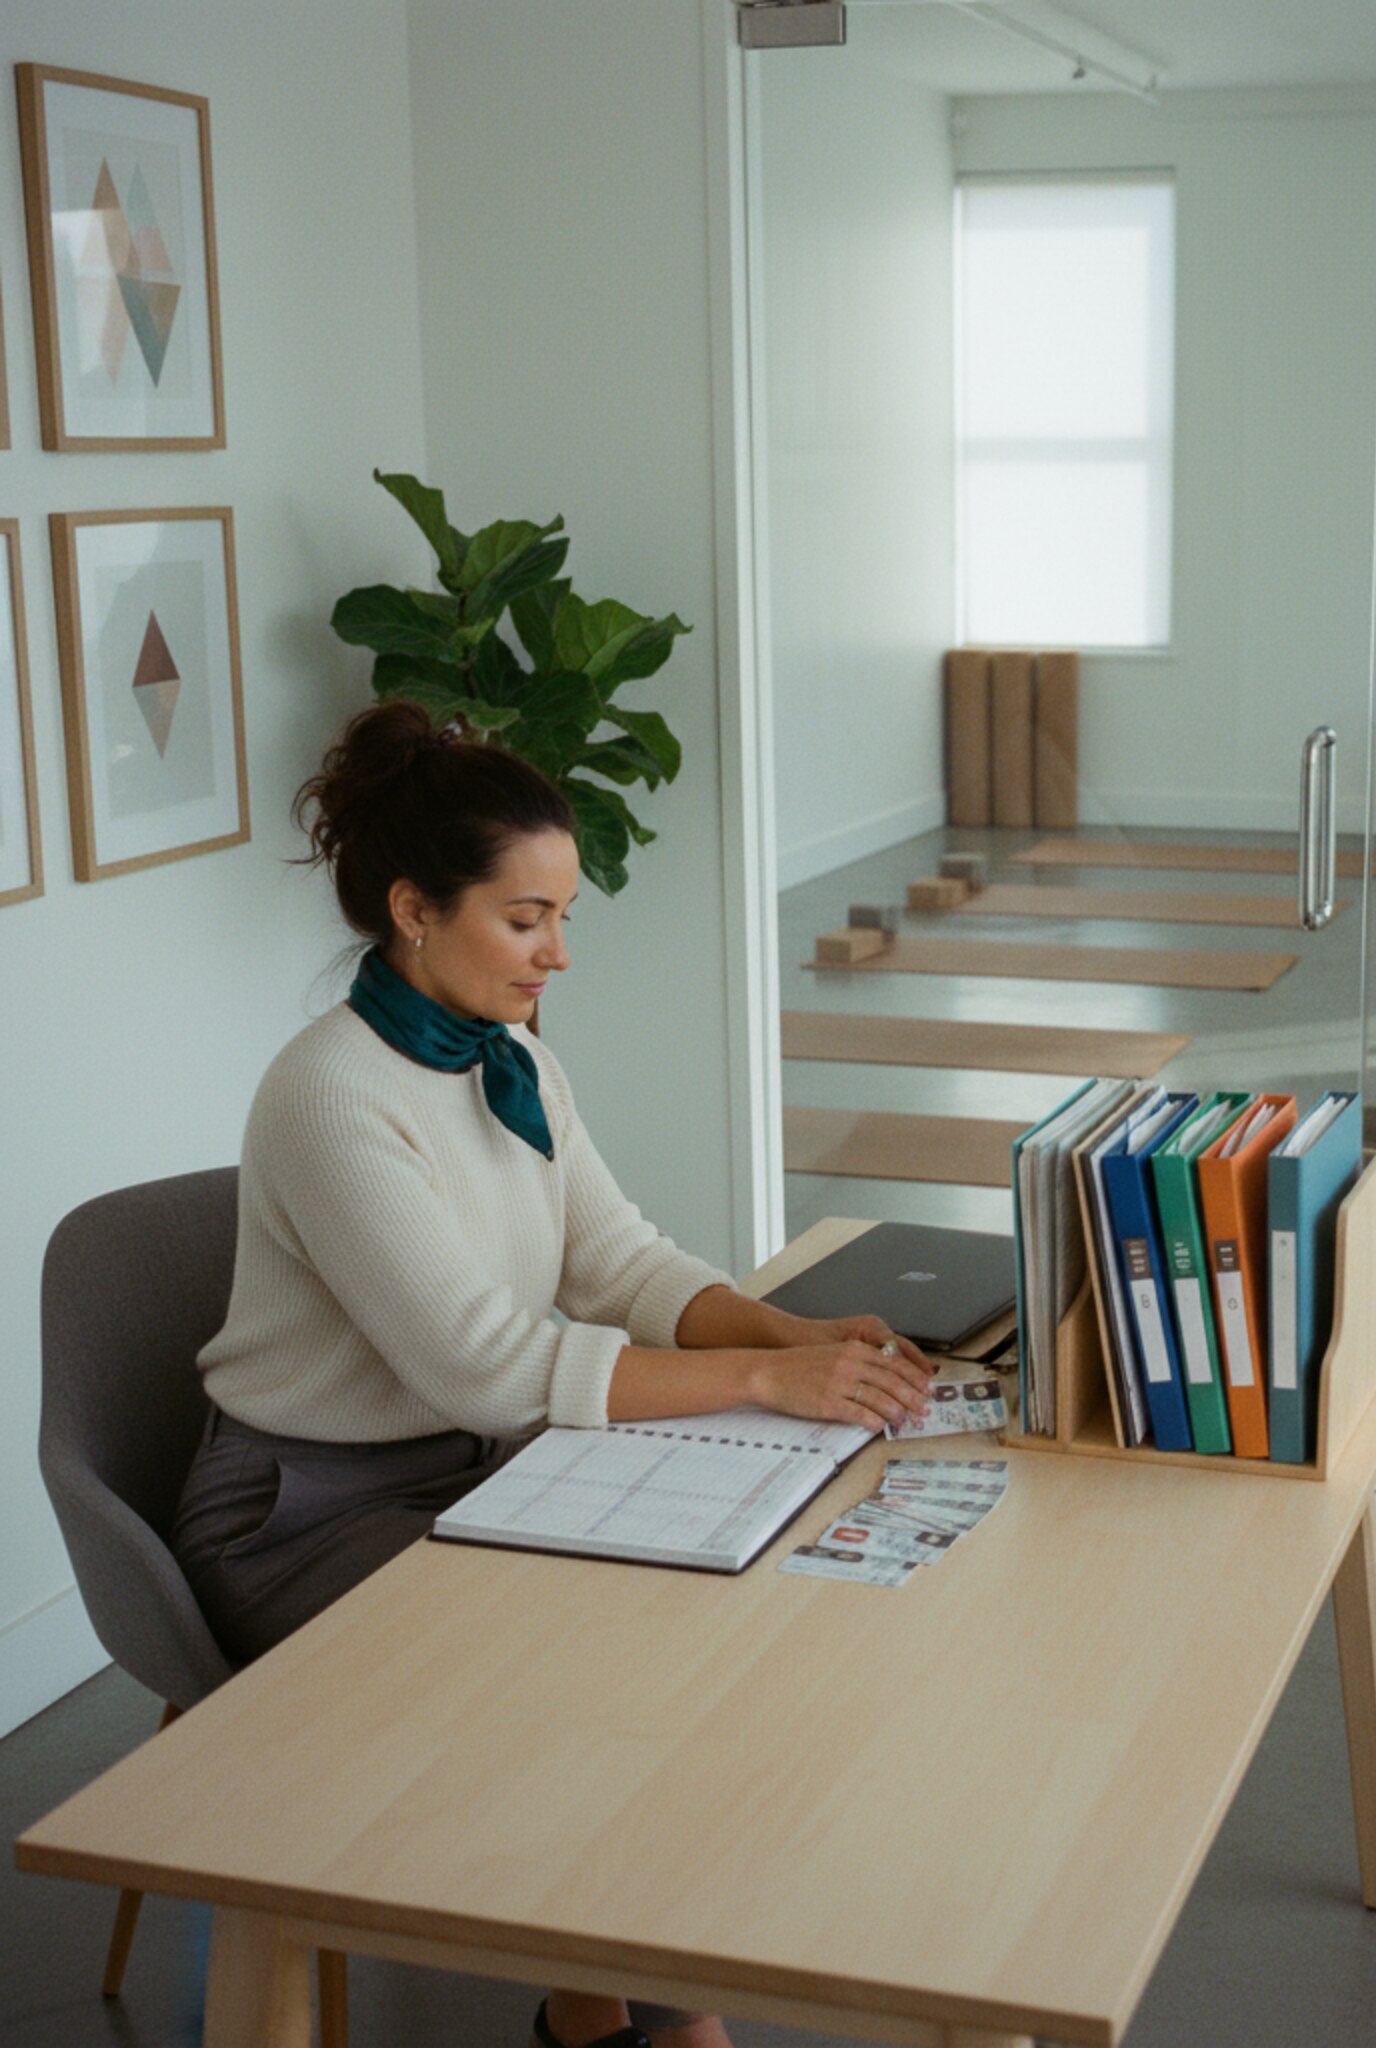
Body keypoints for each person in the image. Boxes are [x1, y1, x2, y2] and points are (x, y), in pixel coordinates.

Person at [172, 699, 934, 2048]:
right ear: (415, 910)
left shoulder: (514, 1057)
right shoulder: (329, 1093)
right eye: (527, 920)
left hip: (477, 1464)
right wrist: (761, 1391)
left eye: (563, 916)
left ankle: (598, 2003)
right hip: (304, 1510)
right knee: (592, 1663)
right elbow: (485, 1365)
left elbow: (616, 1259)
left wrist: (788, 1337)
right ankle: (657, 2019)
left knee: (691, 1624)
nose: (559, 954)